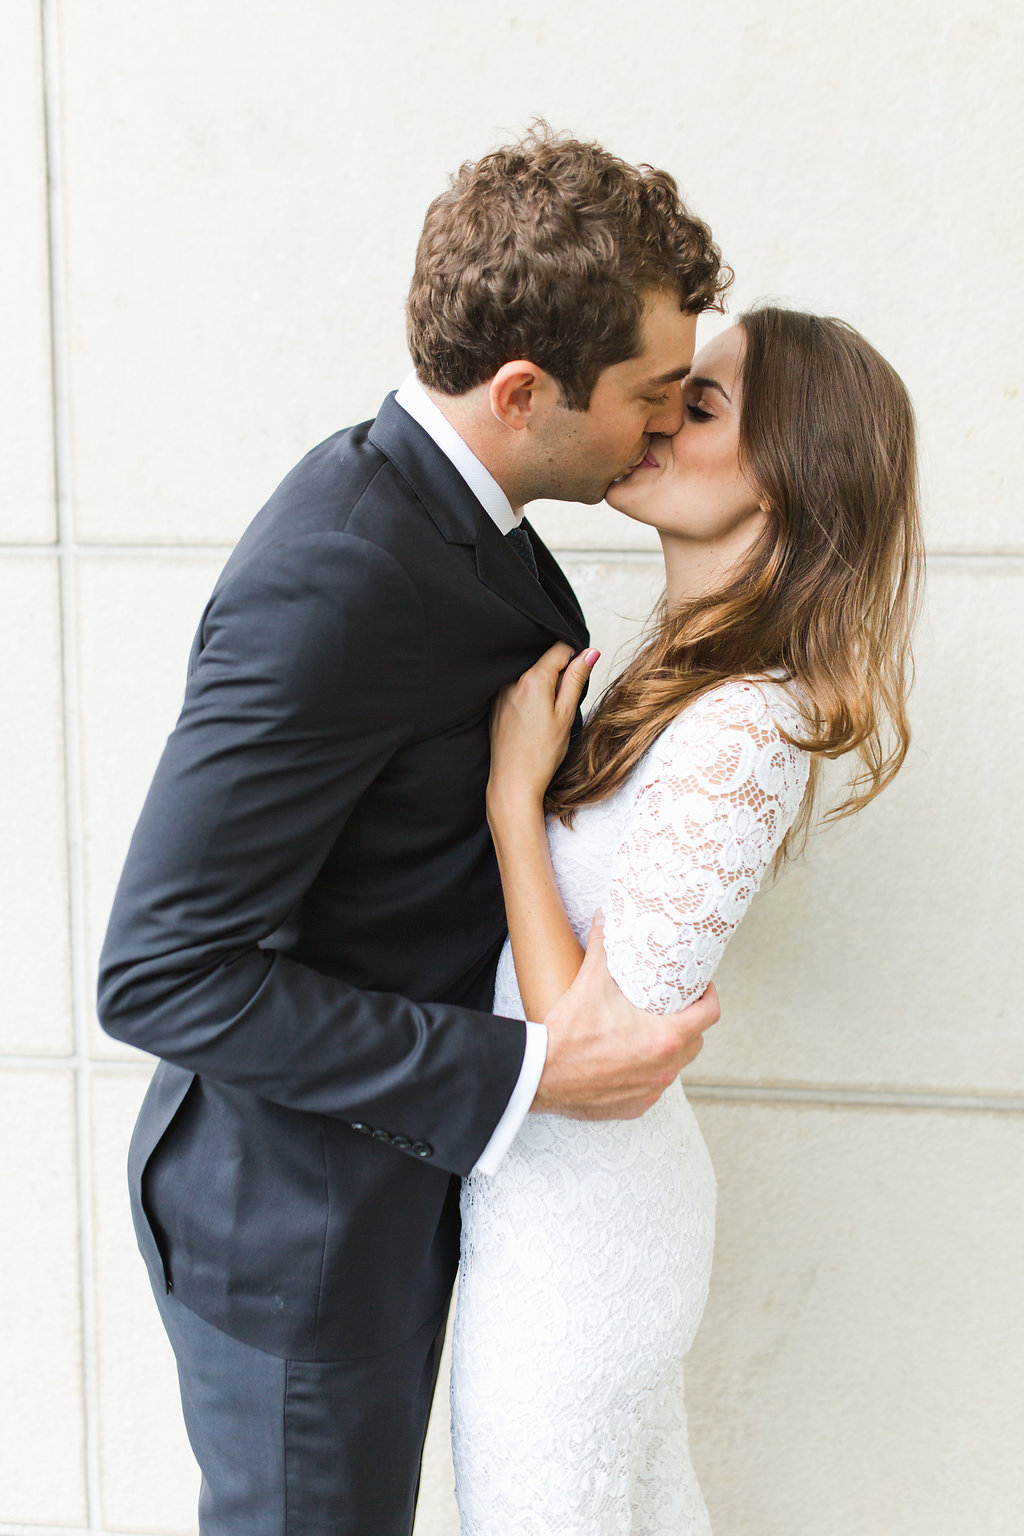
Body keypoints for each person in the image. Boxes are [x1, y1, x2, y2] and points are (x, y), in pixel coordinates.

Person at [96, 127, 730, 1536]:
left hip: (390, 1200)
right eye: (650, 395)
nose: (665, 425)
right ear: (522, 390)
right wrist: (529, 1072)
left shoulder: (456, 515)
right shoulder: (338, 572)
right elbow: (159, 973)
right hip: (296, 1238)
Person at [450, 305, 924, 1533]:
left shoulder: (742, 728)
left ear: (790, 481)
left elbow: (589, 1046)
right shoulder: (681, 685)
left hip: (584, 1233)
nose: (655, 415)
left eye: (699, 407)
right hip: (553, 1206)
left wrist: (515, 803)